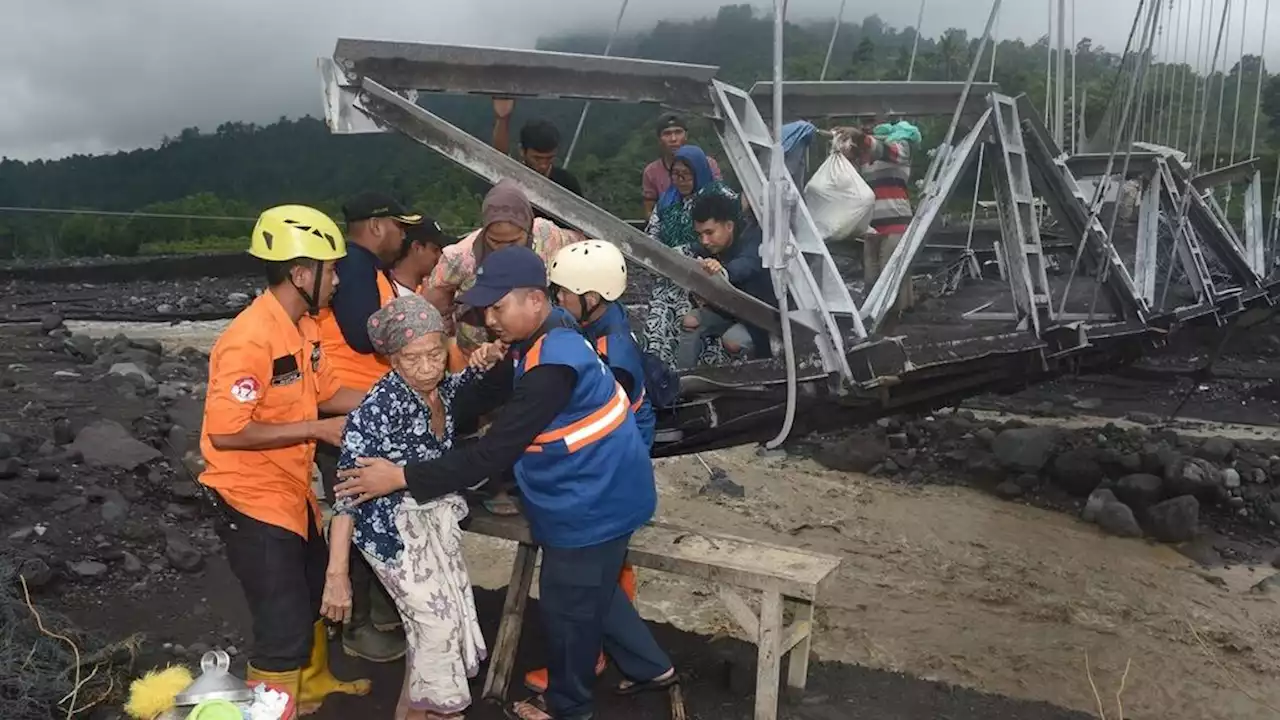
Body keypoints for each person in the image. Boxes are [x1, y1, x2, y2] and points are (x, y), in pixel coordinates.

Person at [334, 247, 677, 720]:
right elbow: (481, 398)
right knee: (595, 590)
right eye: (484, 308)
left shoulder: (551, 368)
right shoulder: (550, 330)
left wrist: (401, 476)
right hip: (612, 489)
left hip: (592, 505)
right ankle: (650, 667)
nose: (488, 318)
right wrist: (484, 369)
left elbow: (492, 453)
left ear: (535, 299)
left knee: (566, 608)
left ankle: (568, 706)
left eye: (498, 307)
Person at [197, 204, 371, 712]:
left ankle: (312, 684)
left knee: (314, 588)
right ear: (301, 273)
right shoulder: (248, 340)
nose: (338, 279)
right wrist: (317, 428)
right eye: (331, 268)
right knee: (281, 623)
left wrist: (393, 391)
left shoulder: (304, 327)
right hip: (251, 498)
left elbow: (329, 390)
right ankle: (271, 707)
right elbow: (226, 433)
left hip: (292, 491)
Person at [321, 295, 491, 720]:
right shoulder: (377, 409)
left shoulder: (443, 389)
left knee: (440, 621)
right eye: (413, 359)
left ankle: (412, 711)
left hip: (433, 516)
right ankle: (440, 710)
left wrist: (484, 358)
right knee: (436, 626)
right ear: (393, 360)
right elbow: (345, 496)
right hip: (389, 532)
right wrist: (337, 575)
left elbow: (465, 380)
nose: (428, 367)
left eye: (436, 354)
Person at [315, 191, 426, 663]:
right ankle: (356, 626)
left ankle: (380, 610)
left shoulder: (362, 268)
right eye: (400, 227)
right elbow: (364, 334)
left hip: (363, 408)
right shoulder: (357, 265)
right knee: (356, 513)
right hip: (350, 411)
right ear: (378, 226)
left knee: (376, 509)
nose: (403, 236)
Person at [425, 179, 581, 357]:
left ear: (529, 230)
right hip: (479, 352)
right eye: (496, 241)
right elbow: (432, 305)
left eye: (514, 241)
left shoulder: (546, 237)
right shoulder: (460, 259)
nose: (505, 249)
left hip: (541, 340)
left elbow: (583, 248)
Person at [643, 144, 737, 368]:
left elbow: (731, 233)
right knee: (660, 315)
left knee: (692, 317)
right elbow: (653, 233)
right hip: (669, 272)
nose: (680, 181)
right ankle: (659, 372)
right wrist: (661, 255)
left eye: (686, 175)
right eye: (675, 175)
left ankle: (698, 372)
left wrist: (687, 253)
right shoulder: (667, 200)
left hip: (703, 270)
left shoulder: (718, 197)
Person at [675, 191, 774, 368]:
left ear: (729, 226)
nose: (704, 240)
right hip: (727, 311)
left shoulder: (752, 238)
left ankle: (759, 378)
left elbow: (747, 264)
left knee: (732, 341)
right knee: (690, 322)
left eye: (709, 232)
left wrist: (723, 272)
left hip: (758, 317)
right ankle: (683, 378)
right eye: (700, 234)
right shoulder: (706, 248)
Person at [841, 119, 921, 326]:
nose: (871, 127)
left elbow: (886, 151)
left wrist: (860, 138)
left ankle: (894, 322)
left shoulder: (901, 147)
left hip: (896, 222)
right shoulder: (865, 155)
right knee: (871, 276)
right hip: (871, 226)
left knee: (890, 274)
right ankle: (877, 319)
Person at [492, 97, 583, 222]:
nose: (543, 165)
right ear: (522, 151)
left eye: (549, 158)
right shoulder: (514, 179)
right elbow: (499, 159)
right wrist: (502, 119)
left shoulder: (567, 182)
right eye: (537, 158)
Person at [642, 113, 723, 218]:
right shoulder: (651, 172)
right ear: (659, 139)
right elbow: (649, 210)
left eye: (678, 132)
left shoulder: (708, 164)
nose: (673, 139)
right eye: (667, 134)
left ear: (686, 135)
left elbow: (721, 197)